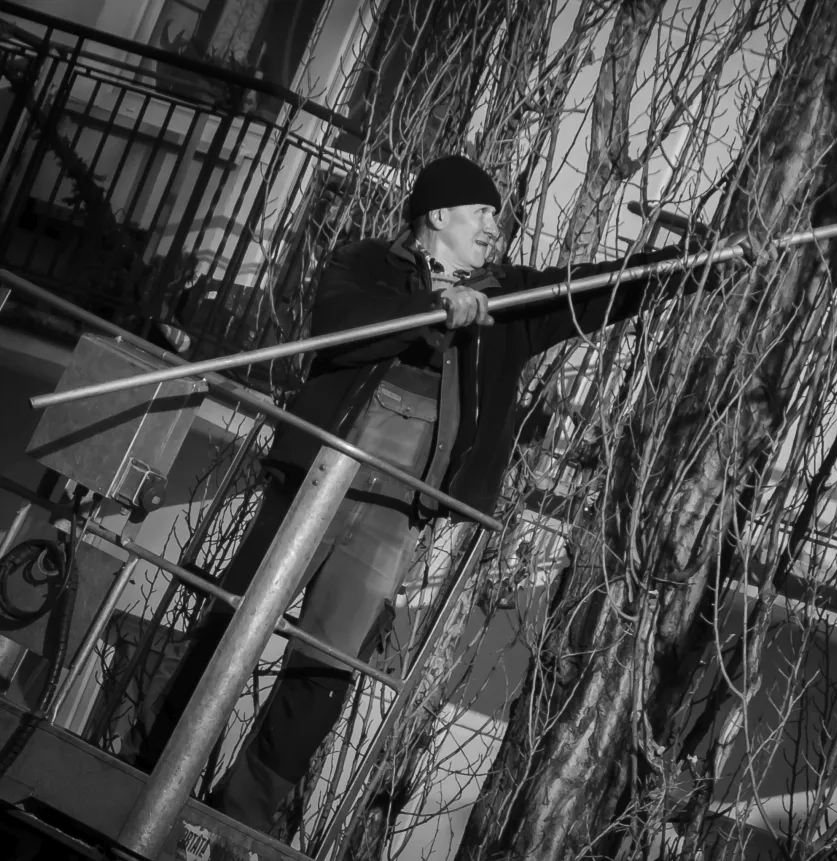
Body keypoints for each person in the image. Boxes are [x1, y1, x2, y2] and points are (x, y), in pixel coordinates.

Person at [129, 154, 746, 831]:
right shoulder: (366, 263)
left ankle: (235, 815)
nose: (494, 226)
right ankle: (147, 766)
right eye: (482, 212)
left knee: (326, 667)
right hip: (312, 482)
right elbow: (339, 322)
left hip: (397, 510)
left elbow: (600, 289)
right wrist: (436, 308)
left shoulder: (508, 298)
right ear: (438, 214)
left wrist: (703, 263)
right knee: (230, 623)